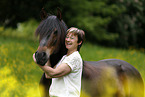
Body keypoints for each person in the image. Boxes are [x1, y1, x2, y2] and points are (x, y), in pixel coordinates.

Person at [33, 27, 85, 97]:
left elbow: (53, 73)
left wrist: (38, 63)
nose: (68, 40)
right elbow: (48, 75)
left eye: (72, 38)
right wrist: (47, 54)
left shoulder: (75, 58)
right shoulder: (65, 58)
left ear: (79, 42)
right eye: (67, 37)